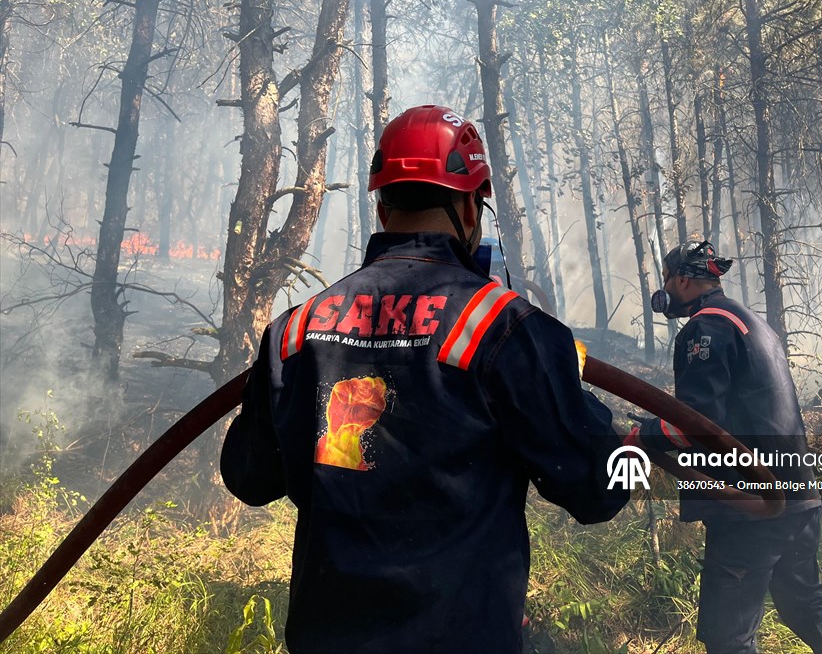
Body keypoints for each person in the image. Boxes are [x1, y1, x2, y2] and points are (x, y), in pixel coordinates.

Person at [220, 105, 628, 654]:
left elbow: (249, 479)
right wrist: (582, 401)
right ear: (469, 205)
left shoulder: (294, 332)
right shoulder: (506, 330)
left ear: (382, 206)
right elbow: (597, 490)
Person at [638, 240, 822, 654]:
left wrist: (643, 435)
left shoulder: (705, 330)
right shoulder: (749, 322)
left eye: (667, 278)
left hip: (752, 506)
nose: (665, 286)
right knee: (807, 605)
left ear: (681, 279)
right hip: (799, 496)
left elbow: (697, 424)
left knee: (729, 635)